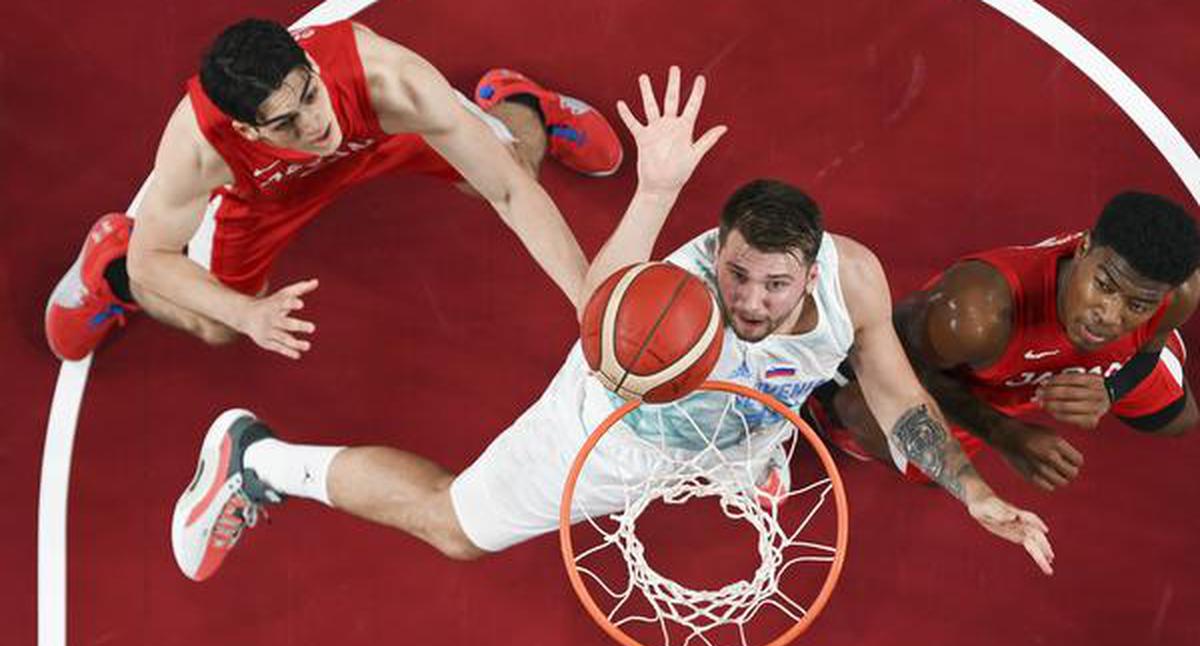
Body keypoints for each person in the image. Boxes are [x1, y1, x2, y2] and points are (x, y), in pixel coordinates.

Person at [170, 68, 1055, 585]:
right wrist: (657, 190)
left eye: (771, 285)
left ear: (812, 266)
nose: (745, 297)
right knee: (452, 527)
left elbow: (897, 394)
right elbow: (601, 311)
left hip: (726, 421)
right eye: (734, 268)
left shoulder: (854, 278)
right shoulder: (674, 297)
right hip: (611, 428)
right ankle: (255, 458)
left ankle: (743, 462)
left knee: (758, 432)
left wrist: (976, 493)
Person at [45, 18, 622, 361]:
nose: (313, 124)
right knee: (214, 324)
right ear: (246, 128)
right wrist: (246, 313)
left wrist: (588, 302)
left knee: (511, 164)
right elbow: (156, 260)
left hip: (378, 132)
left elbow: (510, 194)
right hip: (264, 194)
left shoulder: (389, 81)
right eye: (285, 122)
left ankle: (520, 104)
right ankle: (108, 266)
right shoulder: (201, 145)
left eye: (309, 96)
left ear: (314, 70)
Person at [804, 193, 1199, 491]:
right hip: (980, 385)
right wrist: (1006, 435)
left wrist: (1112, 390)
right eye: (1103, 286)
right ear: (1083, 247)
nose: (1110, 317)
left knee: (1181, 421)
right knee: (865, 413)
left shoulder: (1177, 295)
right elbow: (890, 353)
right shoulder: (974, 313)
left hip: (1103, 366)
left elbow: (1149, 346)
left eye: (1137, 304)